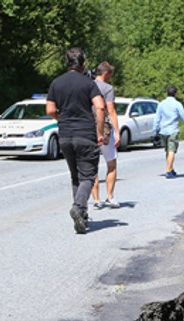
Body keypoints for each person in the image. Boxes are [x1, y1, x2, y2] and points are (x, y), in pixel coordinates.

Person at [46, 47, 106, 234]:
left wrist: (62, 120)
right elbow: (100, 107)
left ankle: (82, 217)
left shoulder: (56, 83)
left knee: (76, 176)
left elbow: (50, 110)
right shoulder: (88, 83)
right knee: (88, 176)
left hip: (65, 136)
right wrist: (100, 132)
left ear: (67, 63)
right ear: (83, 64)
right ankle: (78, 208)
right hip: (85, 135)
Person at [91, 61, 121, 209]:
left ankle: (97, 200)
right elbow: (111, 110)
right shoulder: (108, 88)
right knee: (111, 163)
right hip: (105, 129)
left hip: (89, 129)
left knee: (92, 166)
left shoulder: (87, 85)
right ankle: (110, 196)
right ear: (106, 73)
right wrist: (118, 131)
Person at [152, 85, 184, 179]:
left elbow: (157, 118)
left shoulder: (161, 104)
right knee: (171, 150)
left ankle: (170, 168)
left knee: (168, 151)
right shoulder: (177, 104)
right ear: (176, 93)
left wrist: (155, 130)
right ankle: (168, 171)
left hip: (163, 131)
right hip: (172, 130)